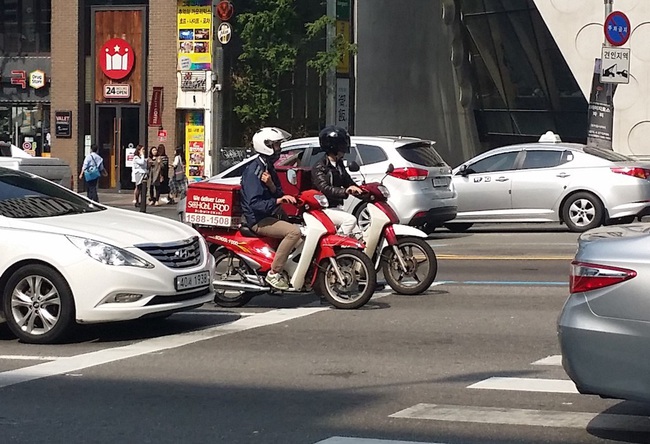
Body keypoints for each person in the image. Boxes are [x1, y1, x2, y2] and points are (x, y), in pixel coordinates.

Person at [240, 127, 301, 291]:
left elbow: (279, 191)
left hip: (271, 214)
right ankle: (274, 273)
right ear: (265, 145)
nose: (279, 149)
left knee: (303, 231)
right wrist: (278, 200)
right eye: (275, 145)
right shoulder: (254, 171)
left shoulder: (268, 167)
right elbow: (255, 204)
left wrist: (271, 186)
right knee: (294, 232)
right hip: (258, 219)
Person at [312, 125, 364, 238]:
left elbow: (348, 181)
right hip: (324, 208)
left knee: (358, 235)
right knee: (350, 220)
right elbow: (324, 188)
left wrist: (365, 191)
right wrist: (345, 191)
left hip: (337, 207)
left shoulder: (339, 164)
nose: (344, 149)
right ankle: (337, 244)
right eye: (341, 146)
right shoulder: (320, 167)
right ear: (333, 146)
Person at [169, 146, 188, 219]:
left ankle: (172, 197)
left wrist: (170, 165)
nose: (173, 152)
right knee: (182, 186)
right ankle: (175, 197)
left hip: (177, 175)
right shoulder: (181, 157)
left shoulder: (177, 157)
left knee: (172, 184)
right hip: (181, 174)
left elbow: (175, 164)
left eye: (174, 151)